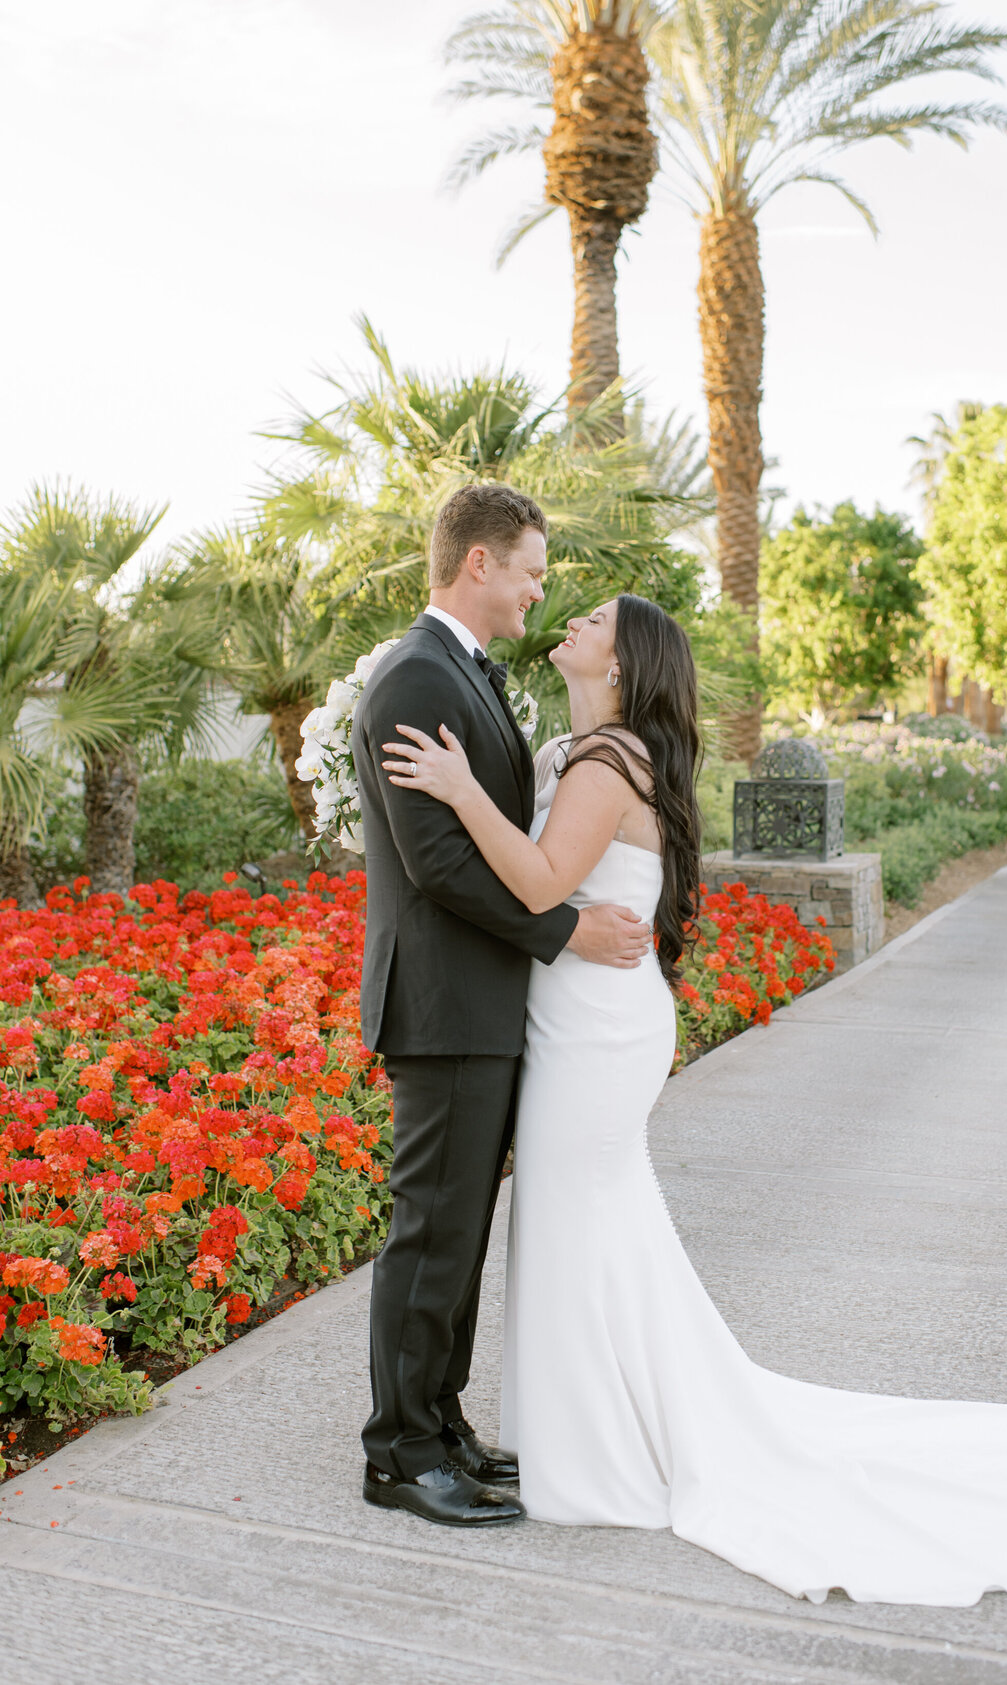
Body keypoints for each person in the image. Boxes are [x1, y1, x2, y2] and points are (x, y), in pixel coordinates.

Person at [381, 591, 1007, 1606]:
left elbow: (543, 886)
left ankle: (602, 1450)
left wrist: (459, 790)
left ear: (624, 665)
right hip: (576, 1016)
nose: (574, 619)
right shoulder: (572, 752)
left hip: (597, 1026)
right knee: (579, 1223)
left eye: (593, 618)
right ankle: (588, 1435)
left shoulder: (608, 761)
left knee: (579, 1219)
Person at [352, 483, 652, 1528]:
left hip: (481, 1006)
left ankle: (439, 1425)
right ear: (478, 563)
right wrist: (564, 931)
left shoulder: (463, 673)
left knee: (460, 1233)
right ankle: (396, 1452)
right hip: (441, 1006)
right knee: (431, 1232)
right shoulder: (412, 680)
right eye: (527, 568)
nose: (537, 589)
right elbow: (436, 866)